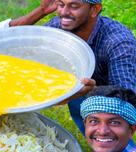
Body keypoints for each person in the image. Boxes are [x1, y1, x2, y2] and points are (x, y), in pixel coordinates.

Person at [45, 0, 136, 134]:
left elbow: (126, 100)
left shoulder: (118, 42)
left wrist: (91, 91)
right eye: (60, 4)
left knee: (112, 130)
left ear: (95, 9)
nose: (64, 12)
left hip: (112, 93)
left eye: (74, 6)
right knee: (87, 123)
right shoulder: (56, 29)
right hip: (80, 86)